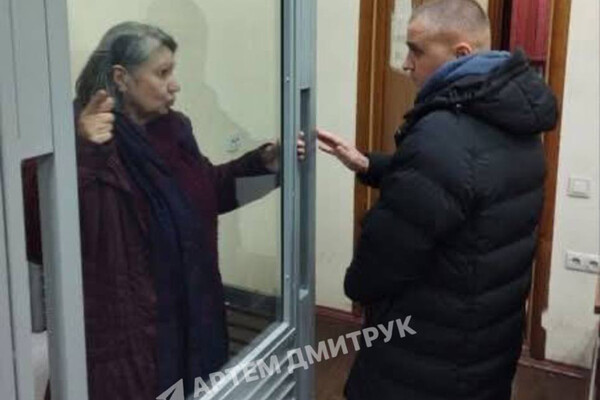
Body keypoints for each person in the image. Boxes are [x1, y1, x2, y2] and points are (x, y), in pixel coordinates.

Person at [29, 21, 305, 400]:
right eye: (162, 73)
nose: (175, 85)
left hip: (191, 321)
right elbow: (40, 236)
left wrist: (265, 164)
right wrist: (84, 152)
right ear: (121, 78)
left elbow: (208, 191)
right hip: (125, 344)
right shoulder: (70, 134)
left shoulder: (173, 128)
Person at [317, 1, 557, 399]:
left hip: (424, 357)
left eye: (416, 50)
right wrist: (368, 164)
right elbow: (462, 187)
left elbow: (379, 265)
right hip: (484, 345)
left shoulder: (442, 135)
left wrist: (356, 284)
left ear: (461, 53)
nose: (406, 64)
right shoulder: (516, 123)